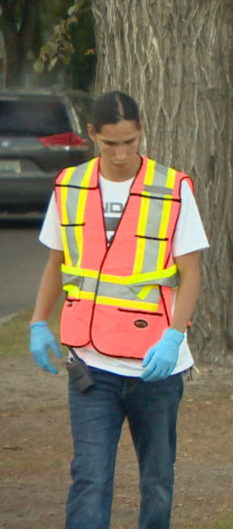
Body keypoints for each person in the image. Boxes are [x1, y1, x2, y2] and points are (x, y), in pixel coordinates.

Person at [28, 90, 208, 529]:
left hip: (155, 366)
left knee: (158, 480)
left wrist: (174, 337)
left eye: (131, 141)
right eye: (111, 144)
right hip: (92, 365)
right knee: (89, 478)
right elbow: (57, 261)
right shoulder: (70, 186)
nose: (123, 153)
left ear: (141, 132)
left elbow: (192, 276)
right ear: (92, 135)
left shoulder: (172, 188)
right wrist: (38, 322)